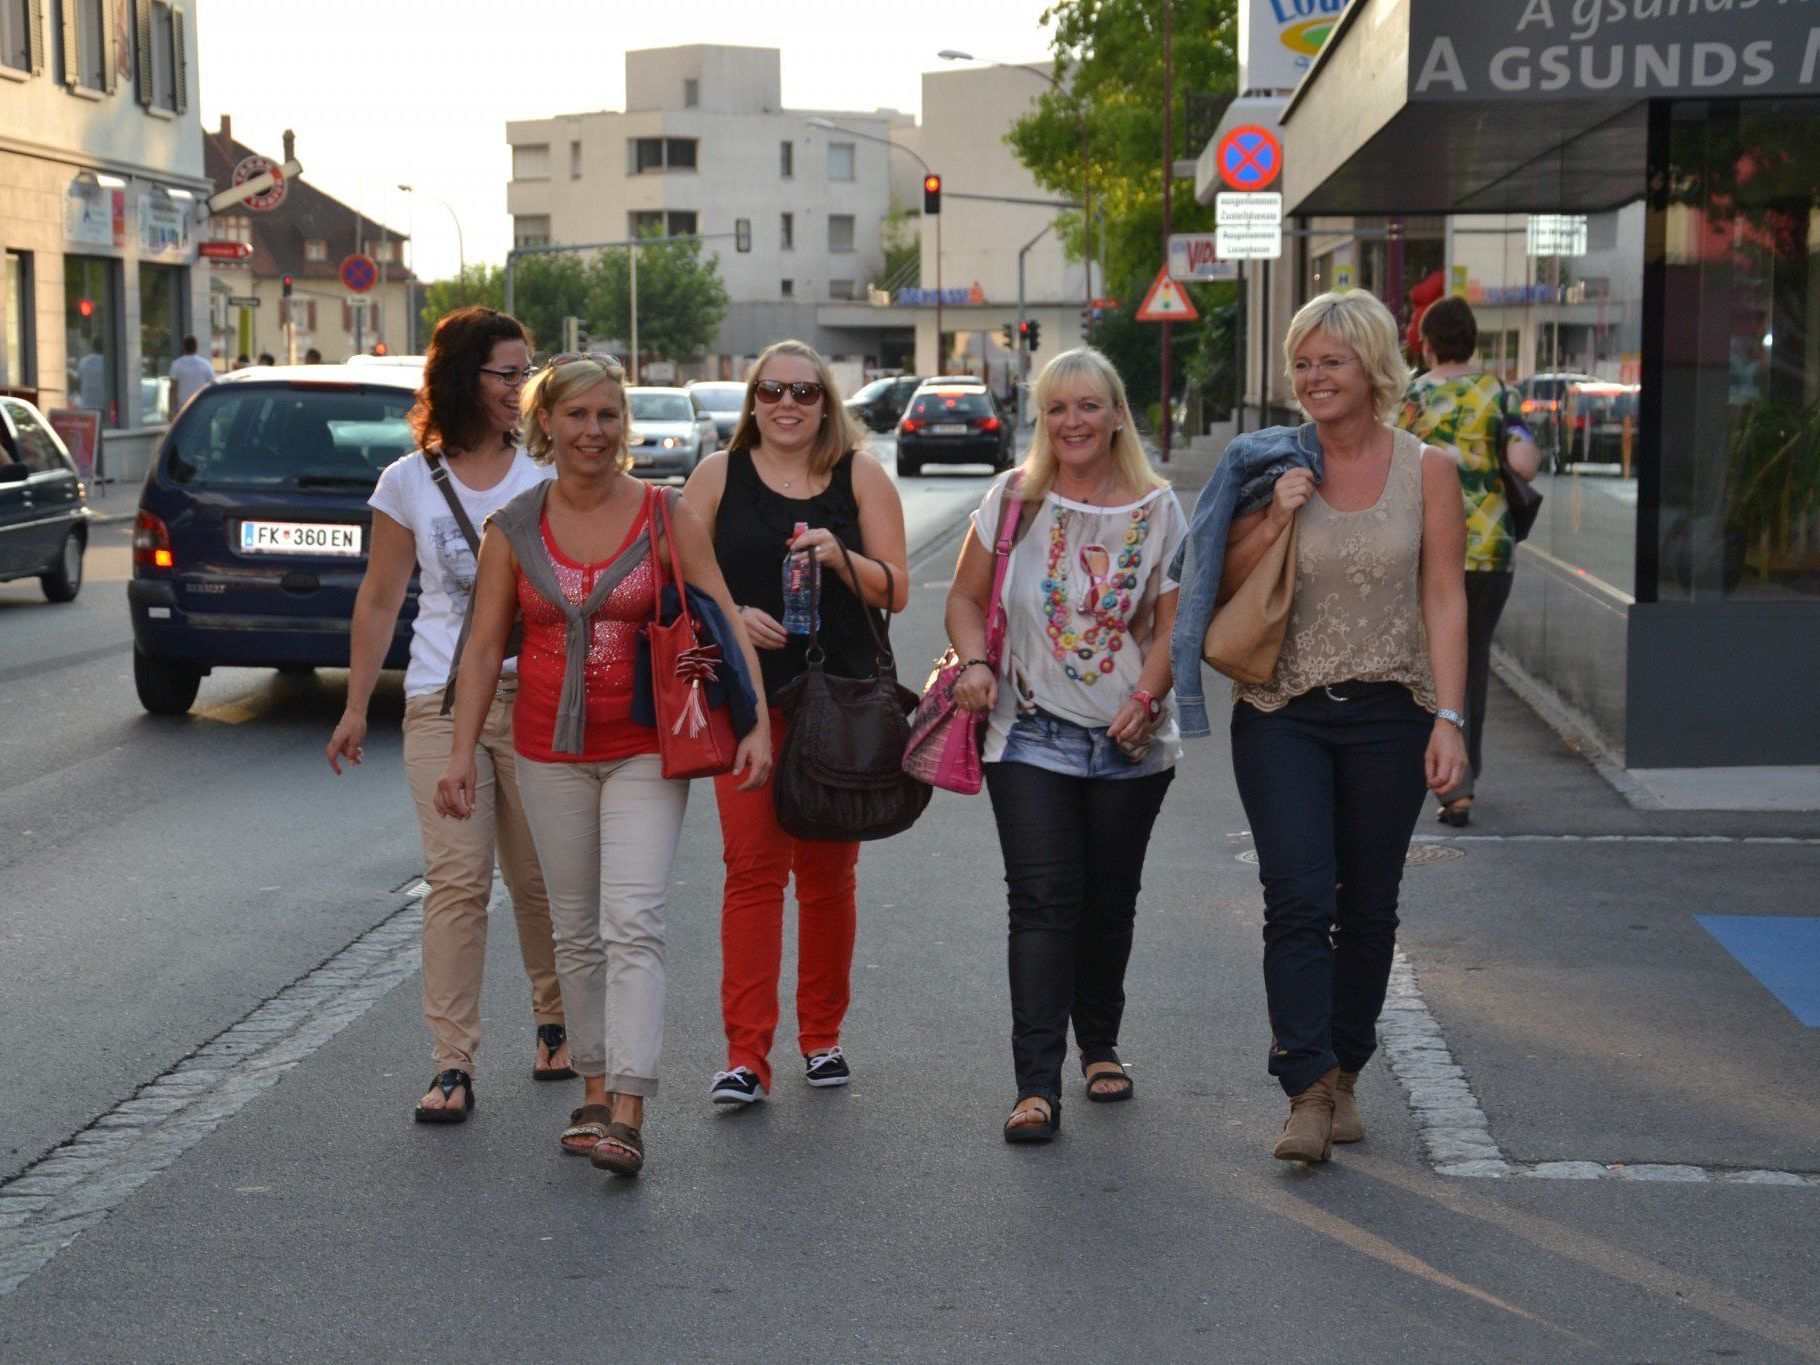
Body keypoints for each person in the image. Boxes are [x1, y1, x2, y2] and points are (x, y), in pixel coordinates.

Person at [436, 353, 771, 1177]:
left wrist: (755, 724)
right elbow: (483, 648)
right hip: (546, 750)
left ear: (625, 425)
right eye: (578, 416)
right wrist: (460, 753)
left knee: (634, 922)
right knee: (575, 932)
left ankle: (628, 1105)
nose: (595, 432)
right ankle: (590, 1086)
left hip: (647, 749)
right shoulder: (512, 527)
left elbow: (724, 617)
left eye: (609, 416)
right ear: (544, 422)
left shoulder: (665, 517)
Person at [1185, 289, 1468, 1164]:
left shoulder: (1429, 468)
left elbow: (1445, 595)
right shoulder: (1270, 462)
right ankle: (1304, 1087)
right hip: (1283, 711)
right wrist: (1276, 512)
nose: (1313, 377)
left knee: (1369, 906)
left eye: (1331, 361)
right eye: (1302, 362)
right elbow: (1218, 577)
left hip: (1392, 710)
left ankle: (1346, 1070)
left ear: (1373, 368)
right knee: (1298, 898)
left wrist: (1451, 717)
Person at [325, 306, 566, 1125]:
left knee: (538, 879)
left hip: (534, 695)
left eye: (526, 372)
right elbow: (382, 596)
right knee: (458, 883)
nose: (521, 388)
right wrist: (357, 705)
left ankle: (554, 1020)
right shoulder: (405, 482)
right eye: (509, 373)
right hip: (438, 700)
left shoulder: (544, 472)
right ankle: (452, 1062)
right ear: (467, 378)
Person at [945, 347, 1186, 1144]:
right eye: (1057, 409)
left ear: (1117, 413)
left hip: (1129, 740)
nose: (1073, 421)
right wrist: (976, 662)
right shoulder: (1013, 501)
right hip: (1030, 731)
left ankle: (1101, 1043)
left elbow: (1172, 625)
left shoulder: (1159, 509)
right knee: (1044, 901)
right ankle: (1036, 1082)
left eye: (1088, 406)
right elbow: (964, 598)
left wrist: (1149, 697)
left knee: (1109, 902)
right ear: (1041, 420)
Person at [682, 339, 908, 1106]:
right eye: (772, 390)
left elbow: (897, 588)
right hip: (744, 704)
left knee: (827, 877)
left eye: (805, 393)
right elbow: (676, 579)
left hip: (832, 705)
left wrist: (840, 555)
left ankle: (822, 1038)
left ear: (826, 404)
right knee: (750, 873)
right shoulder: (717, 477)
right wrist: (731, 616)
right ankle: (747, 1055)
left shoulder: (860, 475)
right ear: (752, 400)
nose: (787, 404)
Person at [1397, 296, 1543, 826]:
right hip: (1487, 549)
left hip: (1421, 548)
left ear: (1426, 343)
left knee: (1420, 657)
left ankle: (1416, 769)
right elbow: (1524, 462)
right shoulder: (1500, 393)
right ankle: (1460, 781)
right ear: (1474, 342)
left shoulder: (1410, 397)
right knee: (1471, 658)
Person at [169, 335, 215, 415]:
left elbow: (173, 389)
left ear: (183, 347)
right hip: (201, 405)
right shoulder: (205, 364)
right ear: (196, 347)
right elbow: (212, 385)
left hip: (183, 408)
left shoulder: (176, 364)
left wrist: (171, 410)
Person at [75, 336, 109, 412]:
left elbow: (78, 384)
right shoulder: (108, 362)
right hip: (103, 405)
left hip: (86, 404)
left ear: (93, 346)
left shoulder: (83, 361)